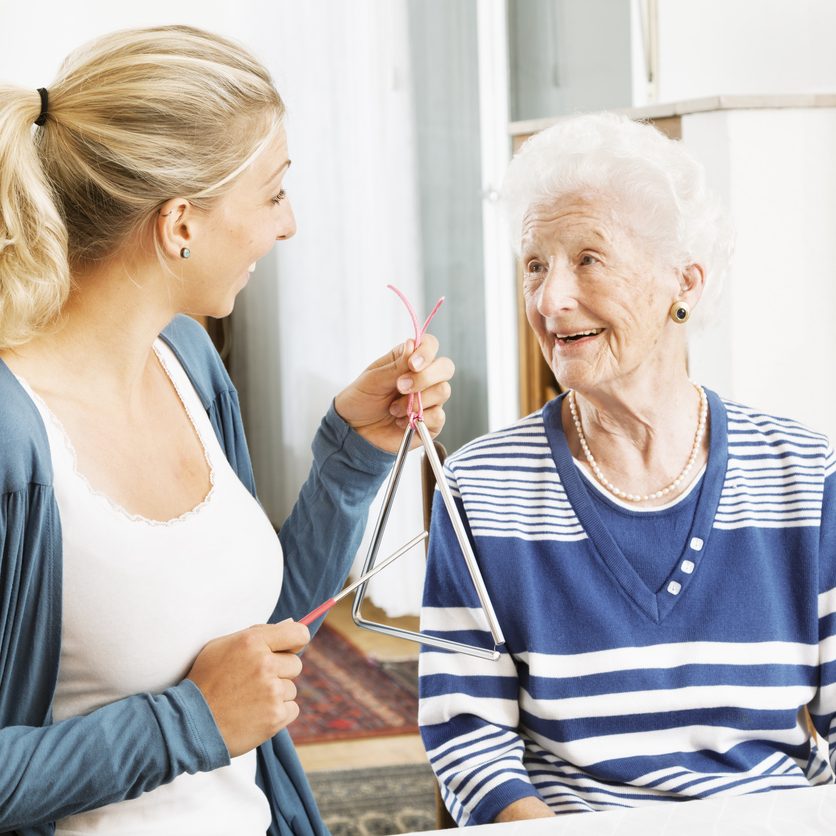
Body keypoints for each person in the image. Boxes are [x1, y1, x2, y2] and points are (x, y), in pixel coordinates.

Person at [0, 24, 453, 835]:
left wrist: (357, 453)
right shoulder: (13, 434)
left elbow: (255, 634)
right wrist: (192, 722)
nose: (290, 226)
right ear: (180, 224)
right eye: (275, 192)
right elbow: (212, 704)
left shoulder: (187, 360)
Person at [418, 112, 836, 824]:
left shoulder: (804, 476)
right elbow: (468, 739)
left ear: (686, 284)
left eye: (588, 258)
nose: (550, 301)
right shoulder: (481, 488)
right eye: (535, 264)